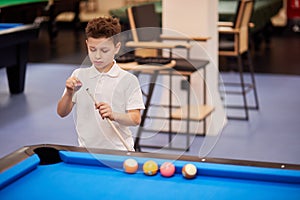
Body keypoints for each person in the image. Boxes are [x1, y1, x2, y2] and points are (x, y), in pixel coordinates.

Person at [57, 16, 145, 151]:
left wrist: (113, 114)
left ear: (116, 48)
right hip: (86, 151)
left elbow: (135, 118)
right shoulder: (79, 75)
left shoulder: (128, 80)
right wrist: (69, 93)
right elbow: (62, 112)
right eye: (92, 49)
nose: (97, 56)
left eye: (104, 50)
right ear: (87, 44)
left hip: (119, 151)